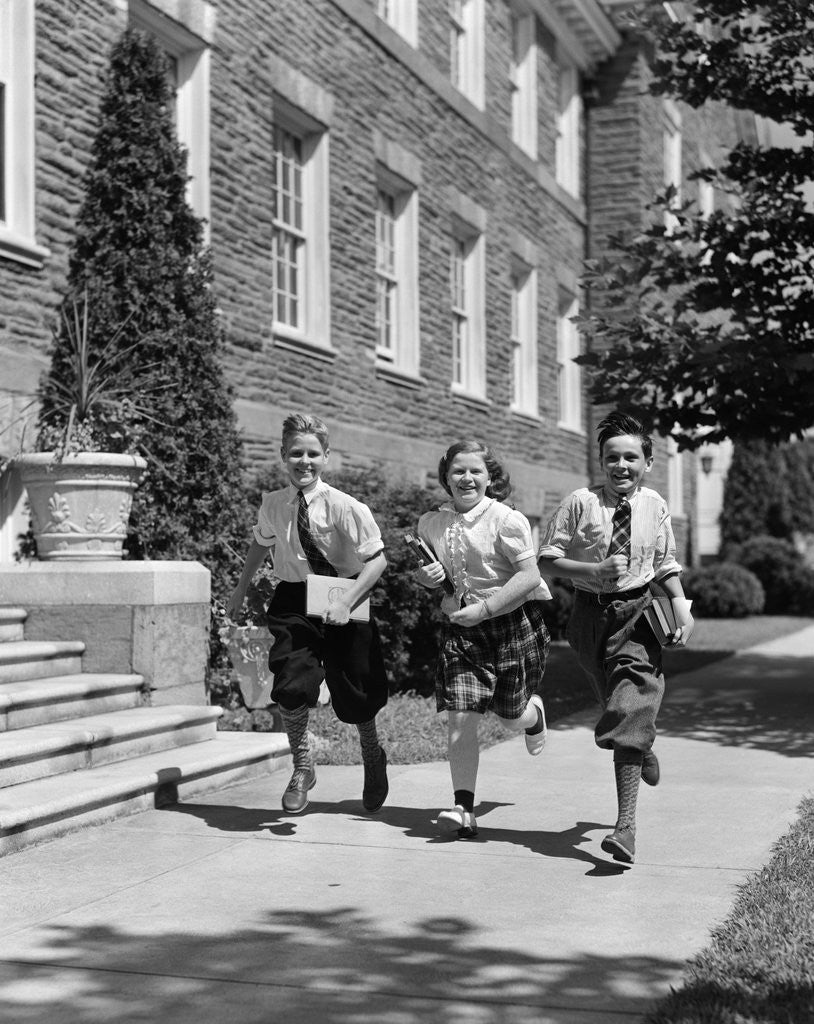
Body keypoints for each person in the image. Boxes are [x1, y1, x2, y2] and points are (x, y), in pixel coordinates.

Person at [537, 412, 692, 865]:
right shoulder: (580, 502)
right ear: (601, 462)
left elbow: (664, 562)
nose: (620, 465)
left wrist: (682, 606)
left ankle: (625, 828)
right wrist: (592, 572)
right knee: (615, 704)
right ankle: (640, 747)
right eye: (612, 458)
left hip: (639, 614)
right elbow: (547, 559)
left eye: (631, 457)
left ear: (647, 462)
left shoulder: (655, 505)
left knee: (632, 700)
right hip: (589, 620)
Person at [226, 412, 389, 815]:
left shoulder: (346, 507)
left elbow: (378, 562)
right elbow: (261, 545)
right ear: (283, 455)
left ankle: (372, 754)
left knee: (356, 691)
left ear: (327, 457)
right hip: (294, 599)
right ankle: (302, 765)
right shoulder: (274, 505)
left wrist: (346, 601)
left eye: (313, 453)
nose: (305, 461)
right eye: (296, 453)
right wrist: (241, 587)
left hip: (345, 595)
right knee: (291, 682)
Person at [415, 438, 552, 840]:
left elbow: (529, 576)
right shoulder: (432, 523)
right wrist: (427, 580)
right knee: (460, 718)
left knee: (511, 717)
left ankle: (533, 716)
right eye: (458, 471)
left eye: (476, 470)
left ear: (491, 477)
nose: (467, 478)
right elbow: (434, 576)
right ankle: (463, 809)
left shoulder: (506, 521)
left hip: (509, 627)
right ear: (446, 478)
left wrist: (487, 609)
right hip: (461, 633)